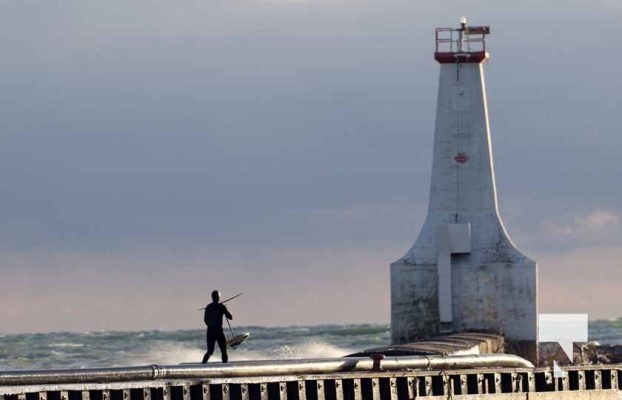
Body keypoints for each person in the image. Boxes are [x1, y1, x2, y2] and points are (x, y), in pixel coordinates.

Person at [201, 290, 233, 363]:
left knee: (210, 351)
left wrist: (211, 326)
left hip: (210, 331)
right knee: (223, 350)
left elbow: (205, 320)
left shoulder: (208, 307)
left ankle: (202, 365)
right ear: (219, 297)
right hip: (218, 331)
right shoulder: (221, 306)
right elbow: (230, 317)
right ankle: (225, 366)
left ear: (212, 297)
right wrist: (229, 312)